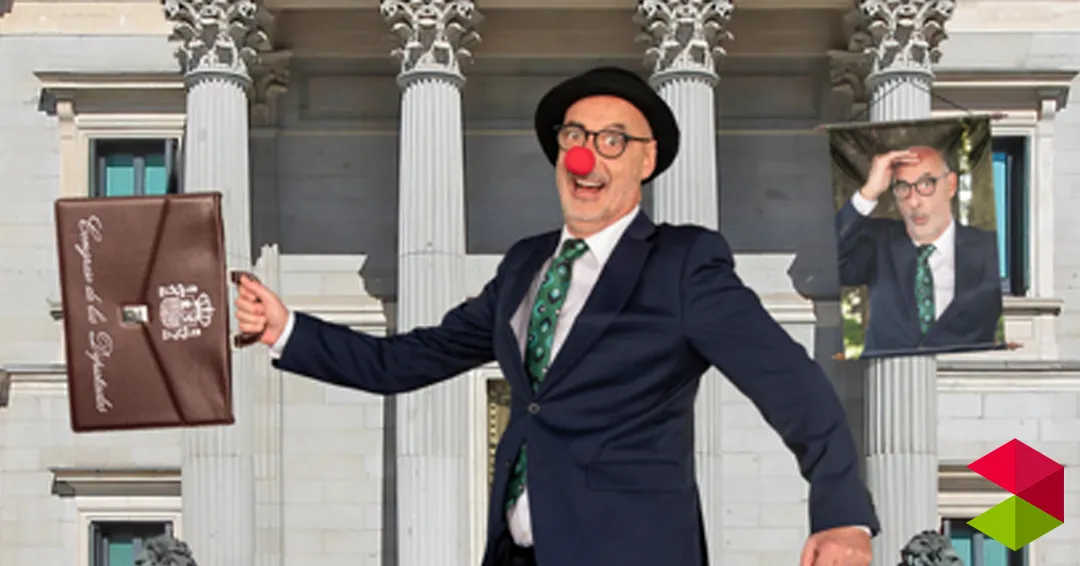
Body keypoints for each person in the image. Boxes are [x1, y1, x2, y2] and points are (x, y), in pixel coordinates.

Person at [235, 66, 879, 566]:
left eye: (612, 141)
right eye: (573, 137)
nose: (584, 157)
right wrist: (284, 328)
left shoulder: (683, 263)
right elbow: (403, 360)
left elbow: (789, 384)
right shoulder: (524, 265)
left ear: (646, 160)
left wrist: (841, 514)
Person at [834, 146, 1003, 357]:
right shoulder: (878, 241)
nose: (914, 202)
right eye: (903, 187)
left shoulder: (990, 248)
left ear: (950, 185)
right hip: (887, 373)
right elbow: (822, 266)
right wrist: (868, 192)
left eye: (926, 185)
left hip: (960, 374)